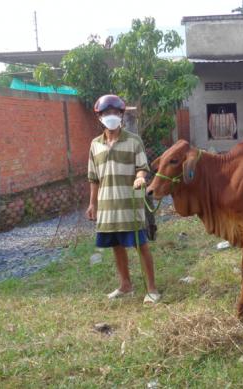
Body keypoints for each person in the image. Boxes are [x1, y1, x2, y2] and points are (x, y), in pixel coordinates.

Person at [86, 94, 160, 304]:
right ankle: (125, 284)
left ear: (121, 115)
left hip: (130, 204)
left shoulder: (133, 141)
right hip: (107, 206)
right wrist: (93, 204)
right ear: (99, 117)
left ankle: (152, 289)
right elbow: (93, 178)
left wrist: (140, 179)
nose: (111, 116)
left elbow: (142, 168)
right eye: (106, 113)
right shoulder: (95, 145)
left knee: (141, 245)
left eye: (115, 113)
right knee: (116, 246)